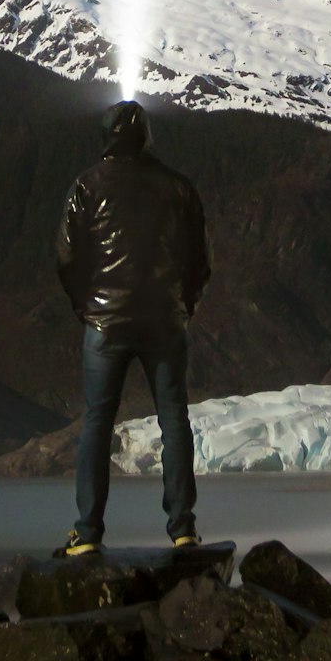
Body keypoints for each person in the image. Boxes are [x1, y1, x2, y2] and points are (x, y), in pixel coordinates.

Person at [54, 98, 210, 555]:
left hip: (105, 321)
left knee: (97, 423)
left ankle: (87, 533)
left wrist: (86, 304)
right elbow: (200, 256)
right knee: (174, 418)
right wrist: (185, 302)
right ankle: (183, 529)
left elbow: (66, 255)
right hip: (165, 320)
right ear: (146, 136)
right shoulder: (178, 186)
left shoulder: (86, 184)